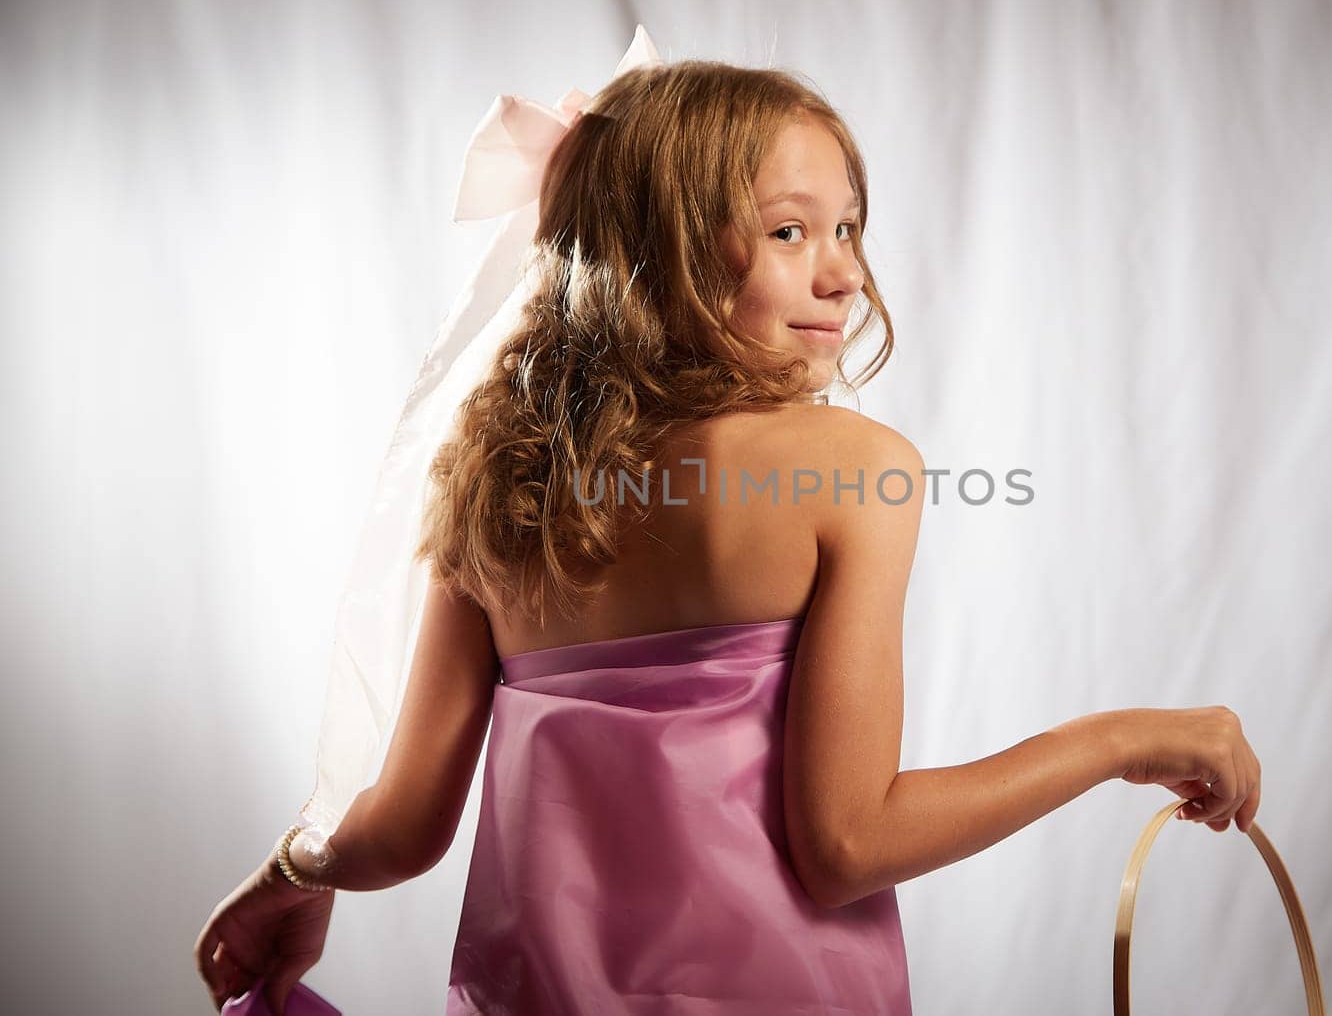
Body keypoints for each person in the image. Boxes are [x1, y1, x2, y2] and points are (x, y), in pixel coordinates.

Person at [196, 54, 1262, 1015]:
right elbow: (847, 846)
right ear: (660, 248)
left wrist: (296, 869)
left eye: (847, 228)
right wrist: (1125, 737)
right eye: (789, 231)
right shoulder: (848, 469)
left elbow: (399, 826)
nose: (842, 273)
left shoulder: (498, 482)